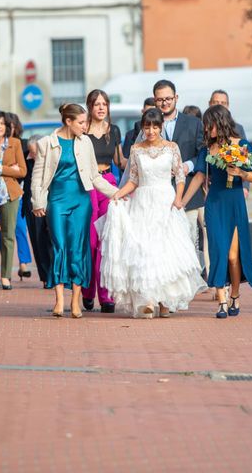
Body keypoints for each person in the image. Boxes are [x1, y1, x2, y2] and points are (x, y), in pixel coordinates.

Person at [99, 108, 206, 318]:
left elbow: (180, 176)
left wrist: (178, 198)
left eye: (155, 126)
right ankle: (148, 299)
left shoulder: (172, 148)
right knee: (144, 251)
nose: (150, 131)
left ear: (161, 127)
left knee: (165, 251)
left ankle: (165, 301)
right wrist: (119, 194)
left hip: (165, 200)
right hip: (142, 203)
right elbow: (134, 180)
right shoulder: (136, 150)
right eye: (147, 127)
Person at [31, 103, 118, 318]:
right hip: (57, 201)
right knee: (59, 247)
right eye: (81, 123)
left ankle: (76, 300)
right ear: (68, 122)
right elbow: (38, 177)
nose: (85, 126)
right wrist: (38, 202)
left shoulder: (85, 142)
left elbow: (95, 176)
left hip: (81, 201)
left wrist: (117, 193)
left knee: (78, 249)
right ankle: (59, 300)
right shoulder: (46, 143)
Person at [182, 105, 252, 318]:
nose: (207, 130)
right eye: (206, 126)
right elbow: (199, 176)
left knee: (234, 256)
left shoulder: (241, 145)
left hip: (235, 202)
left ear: (221, 122)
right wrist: (182, 201)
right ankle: (222, 302)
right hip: (214, 203)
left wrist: (241, 172)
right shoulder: (207, 149)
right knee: (218, 252)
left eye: (210, 125)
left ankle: (235, 294)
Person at [82, 89, 125, 313]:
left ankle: (107, 296)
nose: (101, 108)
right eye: (96, 104)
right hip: (87, 186)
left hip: (108, 185)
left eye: (104, 104)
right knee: (89, 242)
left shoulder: (114, 130)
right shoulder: (81, 131)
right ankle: (87, 293)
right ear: (89, 106)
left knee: (107, 242)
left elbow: (121, 161)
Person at [153, 79, 204, 263]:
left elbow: (202, 155)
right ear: (154, 100)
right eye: (160, 100)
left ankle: (189, 283)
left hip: (188, 192)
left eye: (168, 98)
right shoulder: (146, 125)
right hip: (157, 194)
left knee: (189, 239)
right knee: (160, 242)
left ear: (176, 98)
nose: (165, 103)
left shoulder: (194, 124)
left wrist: (187, 166)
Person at [0, 109, 27, 290]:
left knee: (8, 235)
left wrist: (0, 168)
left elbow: (23, 171)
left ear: (7, 126)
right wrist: (11, 168)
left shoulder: (15, 143)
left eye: (2, 123)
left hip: (10, 194)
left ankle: (6, 275)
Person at [22, 135, 52, 287]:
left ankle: (54, 274)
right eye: (31, 152)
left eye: (35, 152)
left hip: (49, 203)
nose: (32, 156)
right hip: (31, 205)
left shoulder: (50, 160)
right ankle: (45, 277)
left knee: (50, 240)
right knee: (37, 240)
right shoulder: (26, 159)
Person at [7, 112, 33, 279]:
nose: (8, 129)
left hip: (19, 191)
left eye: (11, 125)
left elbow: (24, 171)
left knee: (20, 228)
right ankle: (5, 269)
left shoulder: (23, 145)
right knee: (3, 231)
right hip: (0, 191)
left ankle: (23, 263)